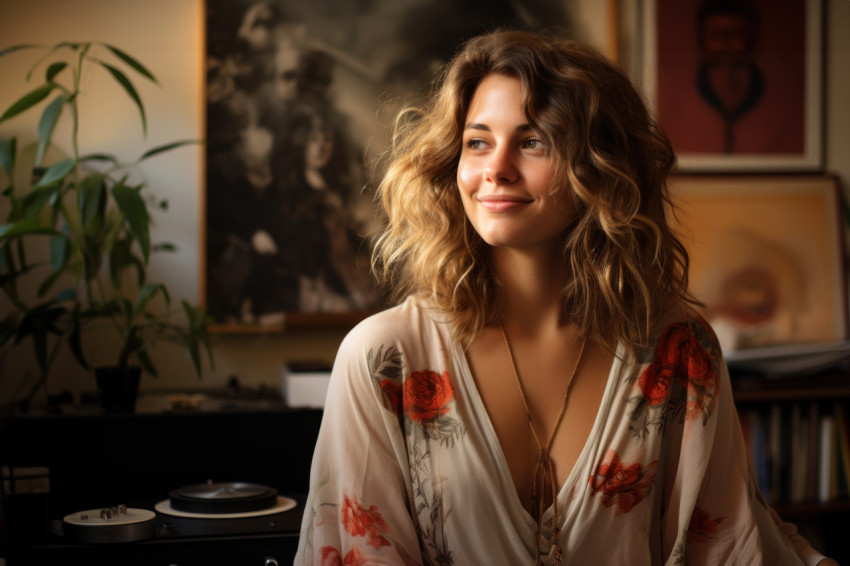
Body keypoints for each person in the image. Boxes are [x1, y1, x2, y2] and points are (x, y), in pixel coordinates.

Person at [293, 30, 837, 565]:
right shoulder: (383, 358)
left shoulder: (679, 351)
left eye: (533, 142)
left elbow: (728, 536)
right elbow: (358, 550)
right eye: (477, 142)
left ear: (599, 168)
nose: (495, 170)